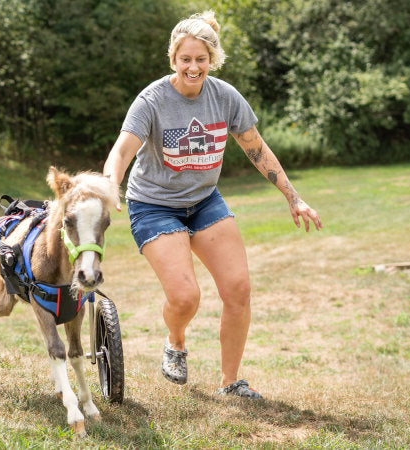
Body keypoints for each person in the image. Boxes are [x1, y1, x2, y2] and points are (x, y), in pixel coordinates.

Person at [102, 10, 322, 399]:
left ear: (212, 60)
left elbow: (256, 149)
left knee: (238, 289)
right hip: (153, 204)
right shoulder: (152, 100)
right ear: (173, 59)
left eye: (200, 59)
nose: (193, 67)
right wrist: (109, 187)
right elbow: (122, 151)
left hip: (204, 201)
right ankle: (175, 340)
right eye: (185, 59)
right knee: (186, 297)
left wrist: (294, 196)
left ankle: (230, 382)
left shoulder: (224, 97)